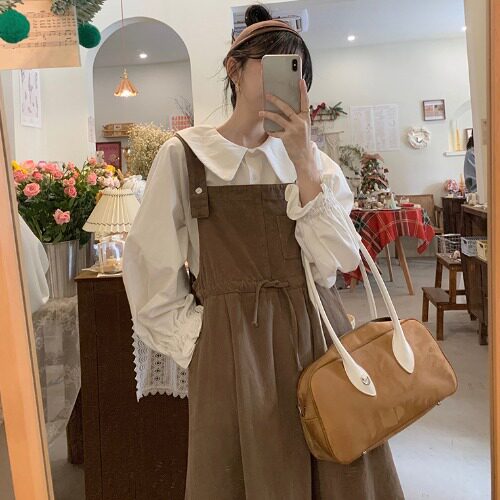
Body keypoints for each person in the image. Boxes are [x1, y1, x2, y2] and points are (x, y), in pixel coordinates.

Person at [123, 4, 404, 499]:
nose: (293, 83)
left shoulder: (314, 163)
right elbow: (149, 267)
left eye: (300, 72)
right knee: (239, 470)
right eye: (277, 66)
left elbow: (340, 261)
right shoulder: (186, 156)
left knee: (336, 458)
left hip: (317, 334)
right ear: (234, 69)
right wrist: (198, 342)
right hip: (230, 346)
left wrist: (303, 163)